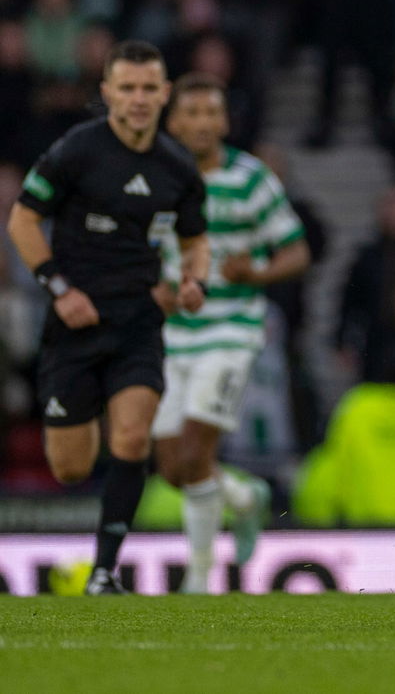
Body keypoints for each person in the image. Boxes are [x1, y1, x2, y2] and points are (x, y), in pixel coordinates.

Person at [6, 40, 209, 595]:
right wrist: (59, 288)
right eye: (128, 88)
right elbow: (22, 223)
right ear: (107, 93)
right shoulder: (75, 151)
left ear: (165, 94)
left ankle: (104, 571)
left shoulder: (176, 166)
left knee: (133, 434)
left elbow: (196, 239)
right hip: (74, 324)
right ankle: (99, 559)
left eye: (149, 88)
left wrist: (195, 280)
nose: (139, 99)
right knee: (71, 467)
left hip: (138, 321)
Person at [152, 74, 310, 593]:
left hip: (231, 332)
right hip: (173, 335)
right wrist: (154, 290)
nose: (201, 123)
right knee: (173, 467)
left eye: (210, 113)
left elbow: (296, 250)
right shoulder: (157, 179)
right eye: (191, 114)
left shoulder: (250, 178)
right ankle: (243, 497)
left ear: (224, 121)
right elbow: (144, 256)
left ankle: (200, 577)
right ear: (173, 121)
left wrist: (257, 273)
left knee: (196, 452)